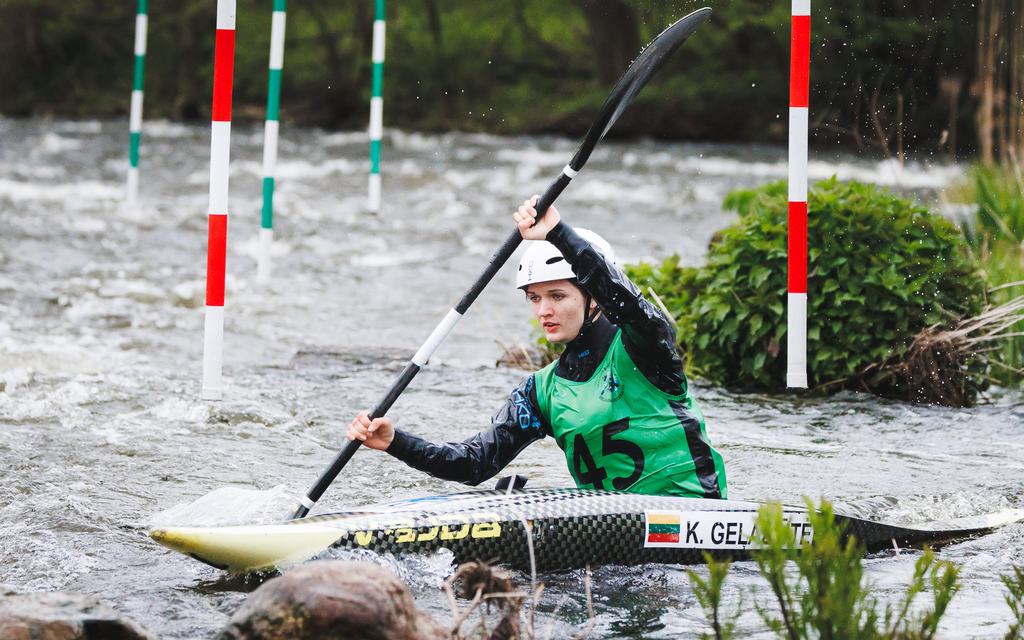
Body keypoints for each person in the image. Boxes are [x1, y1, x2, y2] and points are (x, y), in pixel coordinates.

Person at [346, 196, 727, 498]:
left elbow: (623, 299)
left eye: (557, 295)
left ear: (593, 297)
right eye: (534, 298)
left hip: (691, 514)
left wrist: (557, 233)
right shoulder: (541, 392)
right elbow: (474, 463)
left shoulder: (645, 348)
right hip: (615, 532)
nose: (544, 310)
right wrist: (395, 442)